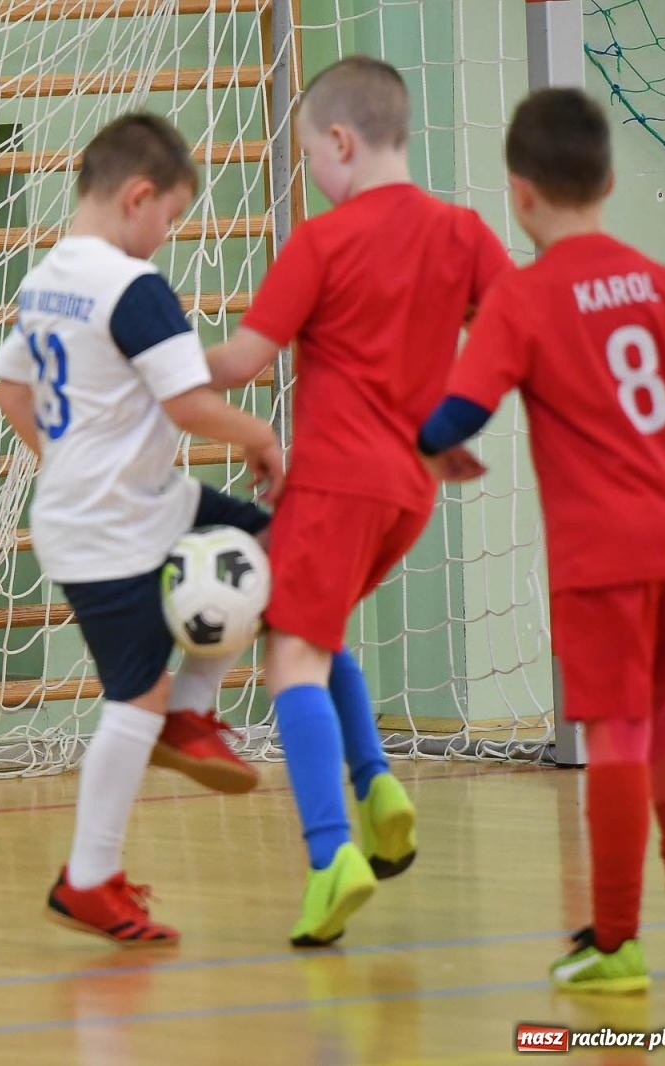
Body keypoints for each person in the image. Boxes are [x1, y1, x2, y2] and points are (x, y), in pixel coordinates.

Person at [203, 56, 513, 946]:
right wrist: (452, 420)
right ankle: (377, 788)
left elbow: (242, 363)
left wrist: (150, 369)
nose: (314, 174)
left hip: (336, 483)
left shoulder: (323, 241)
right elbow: (512, 324)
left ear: (340, 142)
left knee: (290, 655)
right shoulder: (463, 232)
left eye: (310, 156)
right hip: (410, 492)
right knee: (319, 625)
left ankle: (331, 852)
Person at [0, 112, 285, 945]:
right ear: (139, 196)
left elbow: (11, 392)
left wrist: (75, 458)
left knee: (272, 544)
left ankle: (190, 712)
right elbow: (186, 403)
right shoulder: (132, 285)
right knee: (134, 698)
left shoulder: (47, 277)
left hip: (126, 503)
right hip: (107, 528)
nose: (170, 235)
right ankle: (88, 879)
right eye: (173, 218)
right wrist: (263, 437)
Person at [418, 87, 665, 994]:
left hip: (602, 556)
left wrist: (440, 445)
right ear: (609, 180)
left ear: (518, 194)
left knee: (616, 737)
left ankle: (616, 942)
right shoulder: (660, 284)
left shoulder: (524, 300)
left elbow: (453, 414)